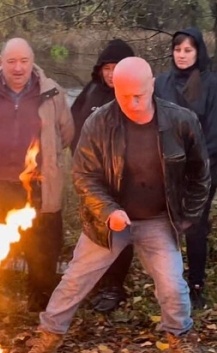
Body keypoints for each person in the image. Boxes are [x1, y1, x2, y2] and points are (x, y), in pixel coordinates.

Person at [13, 57, 210, 353]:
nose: (133, 102)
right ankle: (47, 338)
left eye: (139, 95)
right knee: (75, 280)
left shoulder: (180, 121)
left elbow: (200, 172)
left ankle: (180, 339)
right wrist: (108, 211)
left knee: (173, 285)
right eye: (124, 94)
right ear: (114, 88)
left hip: (158, 218)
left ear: (152, 86)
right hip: (109, 221)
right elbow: (84, 176)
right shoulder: (99, 122)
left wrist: (187, 215)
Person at [0, 37, 74, 313]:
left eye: (24, 61)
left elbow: (66, 134)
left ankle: (41, 313)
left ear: (32, 62)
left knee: (42, 254)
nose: (18, 68)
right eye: (11, 61)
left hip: (38, 188)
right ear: (1, 62)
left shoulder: (53, 94)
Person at [153, 27, 217, 309]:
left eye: (188, 50)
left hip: (200, 171)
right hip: (163, 169)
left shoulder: (212, 84)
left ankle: (196, 285)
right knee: (165, 228)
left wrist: (197, 166)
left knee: (195, 229)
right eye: (177, 50)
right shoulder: (162, 82)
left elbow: (216, 131)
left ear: (198, 52)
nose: (182, 55)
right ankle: (169, 283)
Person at [69, 38, 136, 313]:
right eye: (107, 68)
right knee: (93, 231)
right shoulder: (92, 91)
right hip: (92, 179)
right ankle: (95, 282)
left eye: (117, 67)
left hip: (124, 181)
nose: (111, 73)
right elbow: (73, 124)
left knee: (120, 232)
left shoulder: (134, 95)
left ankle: (114, 287)